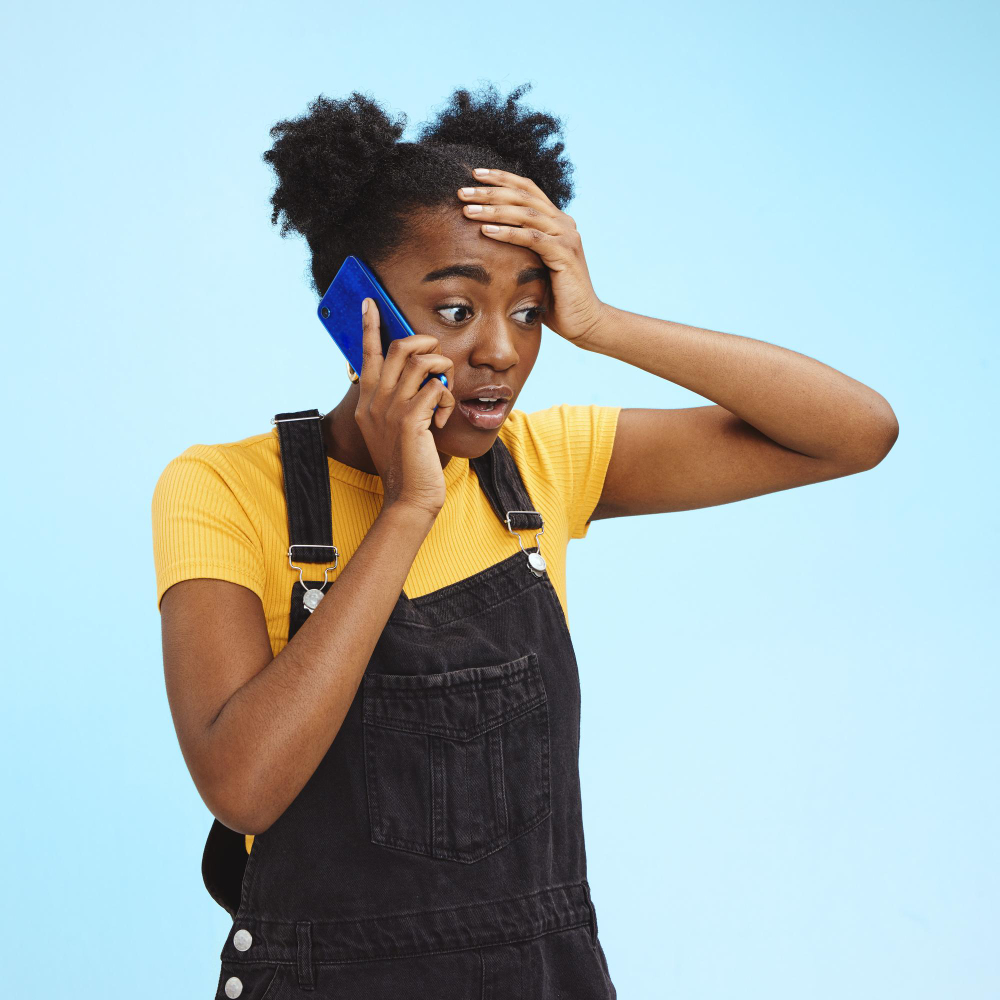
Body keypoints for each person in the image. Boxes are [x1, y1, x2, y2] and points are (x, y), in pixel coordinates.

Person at [151, 82, 898, 999]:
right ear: (356, 308)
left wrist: (604, 323)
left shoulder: (549, 462)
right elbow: (245, 786)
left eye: (531, 311)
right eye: (457, 311)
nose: (502, 351)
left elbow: (855, 432)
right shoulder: (223, 486)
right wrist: (405, 510)